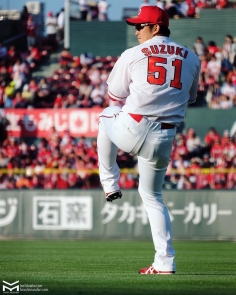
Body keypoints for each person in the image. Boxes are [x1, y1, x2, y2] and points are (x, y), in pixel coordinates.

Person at [97, 6, 200, 275]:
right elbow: (191, 97)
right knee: (153, 197)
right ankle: (165, 261)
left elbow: (115, 93)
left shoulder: (132, 53)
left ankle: (109, 185)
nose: (136, 30)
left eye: (141, 25)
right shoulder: (192, 57)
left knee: (107, 113)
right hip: (165, 136)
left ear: (156, 28)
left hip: (134, 127)